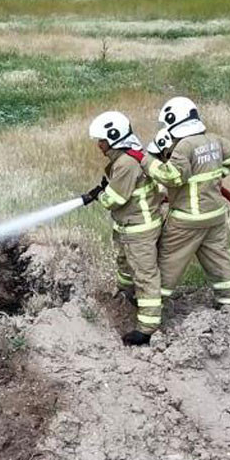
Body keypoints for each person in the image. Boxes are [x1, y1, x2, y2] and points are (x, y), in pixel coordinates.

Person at [138, 97, 230, 312]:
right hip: (215, 215)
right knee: (219, 259)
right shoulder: (212, 139)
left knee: (168, 262)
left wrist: (147, 161)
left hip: (187, 220)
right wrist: (216, 177)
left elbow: (172, 177)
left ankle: (152, 307)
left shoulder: (184, 146)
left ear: (173, 120)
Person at [80, 111, 163, 347]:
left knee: (145, 275)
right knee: (125, 265)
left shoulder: (126, 163)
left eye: (102, 140)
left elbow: (114, 200)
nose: (98, 145)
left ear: (114, 138)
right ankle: (125, 296)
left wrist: (102, 195)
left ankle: (146, 329)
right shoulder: (124, 158)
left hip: (139, 228)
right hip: (129, 226)